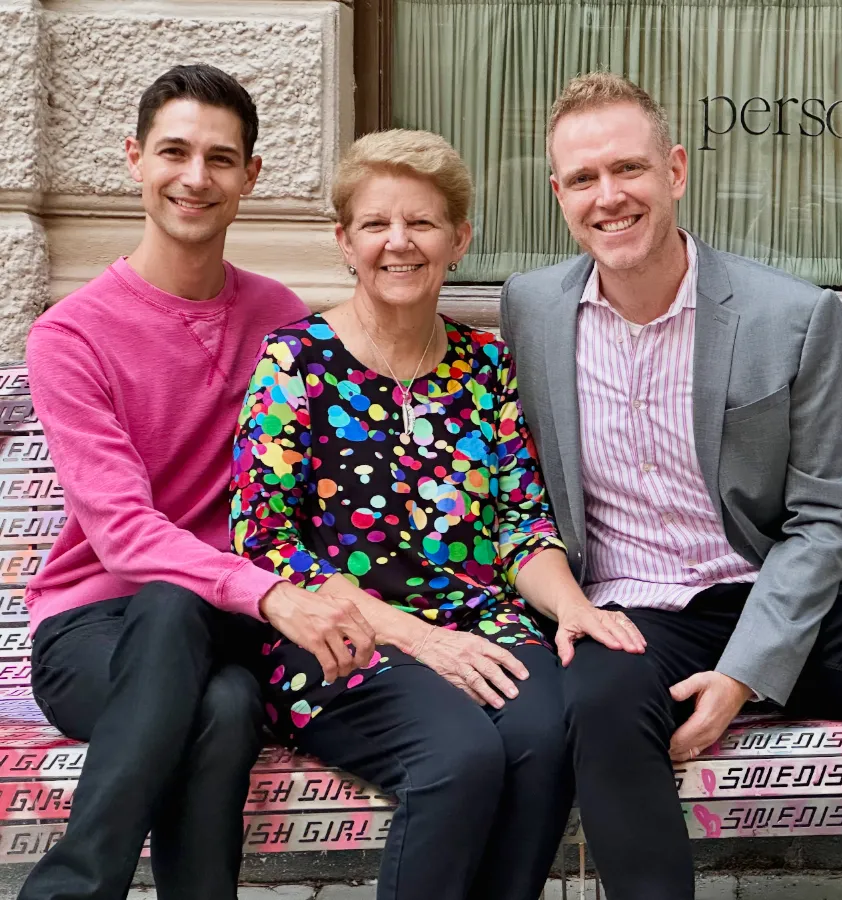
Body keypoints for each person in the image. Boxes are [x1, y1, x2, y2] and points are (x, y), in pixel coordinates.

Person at [499, 72, 842, 900]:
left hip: (782, 590)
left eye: (629, 168)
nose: (609, 196)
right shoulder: (531, 309)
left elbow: (824, 519)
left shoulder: (790, 314)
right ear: (559, 195)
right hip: (633, 609)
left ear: (675, 170)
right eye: (583, 178)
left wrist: (743, 675)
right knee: (598, 708)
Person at [230, 128, 643, 900]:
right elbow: (265, 544)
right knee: (457, 757)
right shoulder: (295, 361)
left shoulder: (486, 365)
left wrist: (573, 608)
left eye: (421, 222)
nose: (399, 242)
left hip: (480, 625)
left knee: (546, 735)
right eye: (376, 224)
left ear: (459, 239)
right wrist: (417, 639)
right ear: (344, 242)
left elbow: (521, 523)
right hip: (338, 637)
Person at [19, 64, 378, 900]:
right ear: (135, 159)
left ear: (250, 175)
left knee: (210, 670)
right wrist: (271, 596)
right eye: (174, 152)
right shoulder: (70, 335)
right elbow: (120, 534)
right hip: (92, 634)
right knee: (203, 667)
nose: (195, 176)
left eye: (220, 158)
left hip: (228, 623)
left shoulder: (280, 319)